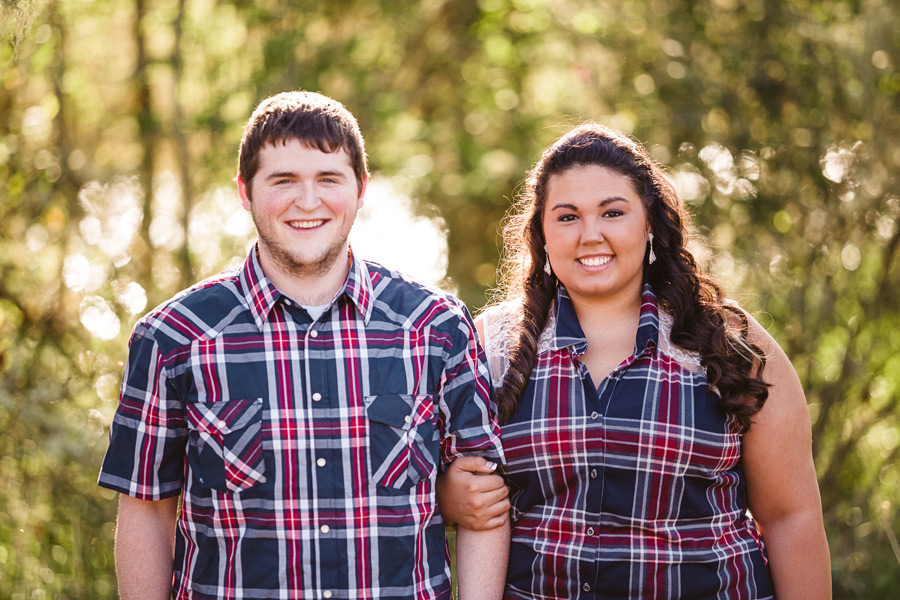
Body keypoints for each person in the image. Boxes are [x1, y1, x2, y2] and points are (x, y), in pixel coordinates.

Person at [98, 91, 508, 600]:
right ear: (245, 191)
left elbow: (483, 506)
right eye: (284, 180)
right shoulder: (174, 338)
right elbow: (145, 507)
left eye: (329, 179)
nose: (308, 201)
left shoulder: (436, 327)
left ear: (361, 189)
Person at [437, 122, 831, 599]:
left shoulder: (731, 344)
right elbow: (452, 487)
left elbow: (791, 517)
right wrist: (448, 497)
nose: (590, 234)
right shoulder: (491, 345)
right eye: (567, 217)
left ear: (649, 223)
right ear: (541, 234)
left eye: (613, 212)